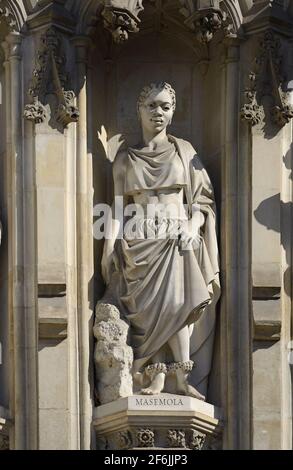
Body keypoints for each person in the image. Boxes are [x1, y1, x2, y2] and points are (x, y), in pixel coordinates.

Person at [101, 82, 220, 400]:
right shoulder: (125, 159)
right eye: (152, 105)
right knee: (146, 311)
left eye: (165, 106)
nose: (158, 112)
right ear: (139, 109)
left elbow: (203, 201)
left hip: (176, 237)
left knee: (178, 304)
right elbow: (115, 207)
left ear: (173, 112)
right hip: (139, 241)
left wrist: (194, 224)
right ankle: (155, 377)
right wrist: (106, 246)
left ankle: (181, 376)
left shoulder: (185, 151)